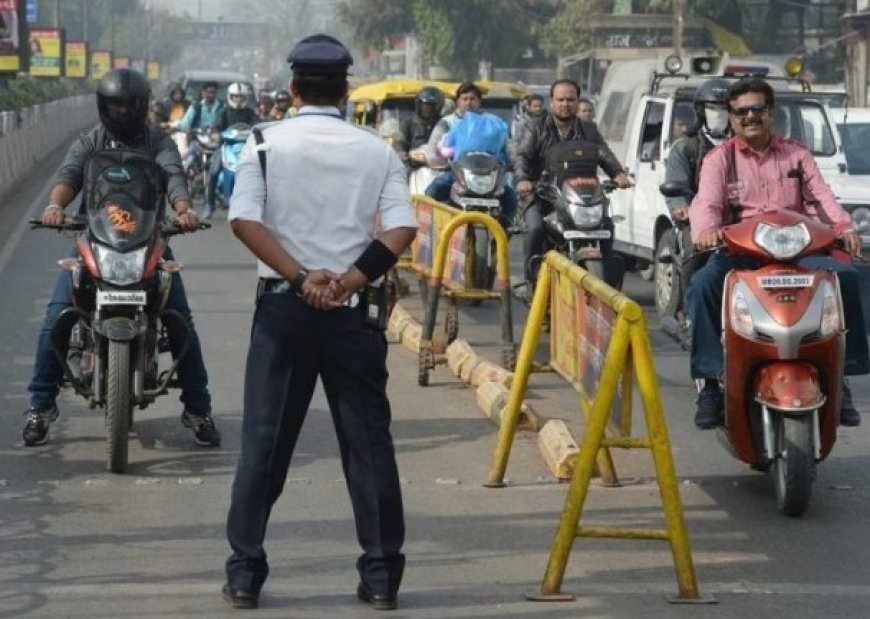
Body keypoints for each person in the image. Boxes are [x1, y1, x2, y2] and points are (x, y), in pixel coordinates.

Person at [223, 34, 417, 611]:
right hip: (352, 314)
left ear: (292, 89)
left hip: (284, 309)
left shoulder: (262, 143)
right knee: (368, 446)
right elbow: (401, 229)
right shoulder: (376, 150)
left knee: (263, 443)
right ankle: (381, 577)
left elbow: (243, 221)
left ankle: (245, 573)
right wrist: (349, 281)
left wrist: (301, 275)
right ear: (346, 90)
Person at [21, 68, 221, 448]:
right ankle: (39, 406)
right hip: (94, 241)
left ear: (142, 107)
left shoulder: (159, 142)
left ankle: (199, 409)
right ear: (103, 107)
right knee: (56, 318)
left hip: (150, 242)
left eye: (130, 107)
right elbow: (68, 176)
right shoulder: (90, 141)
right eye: (116, 106)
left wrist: (183, 210)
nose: (123, 113)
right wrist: (54, 206)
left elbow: (174, 177)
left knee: (180, 322)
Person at [687, 77, 868, 429]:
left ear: (772, 113)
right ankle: (709, 382)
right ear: (731, 117)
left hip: (799, 251)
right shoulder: (719, 159)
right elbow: (706, 202)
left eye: (757, 109)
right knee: (702, 285)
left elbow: (823, 199)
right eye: (741, 112)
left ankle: (843, 376)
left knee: (846, 277)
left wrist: (844, 229)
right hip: (742, 251)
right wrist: (705, 232)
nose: (750, 117)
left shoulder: (797, 154)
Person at [515, 79, 631, 290]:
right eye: (560, 99)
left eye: (570, 99)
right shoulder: (535, 128)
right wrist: (523, 180)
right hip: (542, 196)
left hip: (581, 198)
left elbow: (604, 154)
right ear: (552, 102)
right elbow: (522, 156)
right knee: (535, 229)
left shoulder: (589, 130)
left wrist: (618, 174)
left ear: (578, 102)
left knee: (607, 226)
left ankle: (608, 281)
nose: (565, 104)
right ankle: (529, 283)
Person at [424, 82, 518, 230]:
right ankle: (431, 232)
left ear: (479, 101)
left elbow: (509, 146)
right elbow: (432, 150)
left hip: (490, 176)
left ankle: (504, 232)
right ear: (458, 102)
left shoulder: (494, 122)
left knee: (511, 199)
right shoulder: (447, 123)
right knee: (430, 194)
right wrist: (439, 162)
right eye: (465, 98)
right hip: (457, 174)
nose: (469, 102)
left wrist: (513, 163)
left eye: (473, 99)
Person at [205, 82, 259, 218]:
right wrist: (216, 133)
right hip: (226, 147)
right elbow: (216, 127)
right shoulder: (224, 112)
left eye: (241, 97)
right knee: (213, 171)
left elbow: (257, 125)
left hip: (247, 147)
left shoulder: (249, 112)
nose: (238, 100)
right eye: (235, 97)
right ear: (230, 97)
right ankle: (209, 205)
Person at [395, 85, 445, 162]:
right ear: (418, 104)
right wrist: (400, 152)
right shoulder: (408, 122)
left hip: (438, 164)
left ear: (438, 106)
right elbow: (399, 142)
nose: (427, 109)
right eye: (424, 105)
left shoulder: (443, 123)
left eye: (430, 106)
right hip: (413, 165)